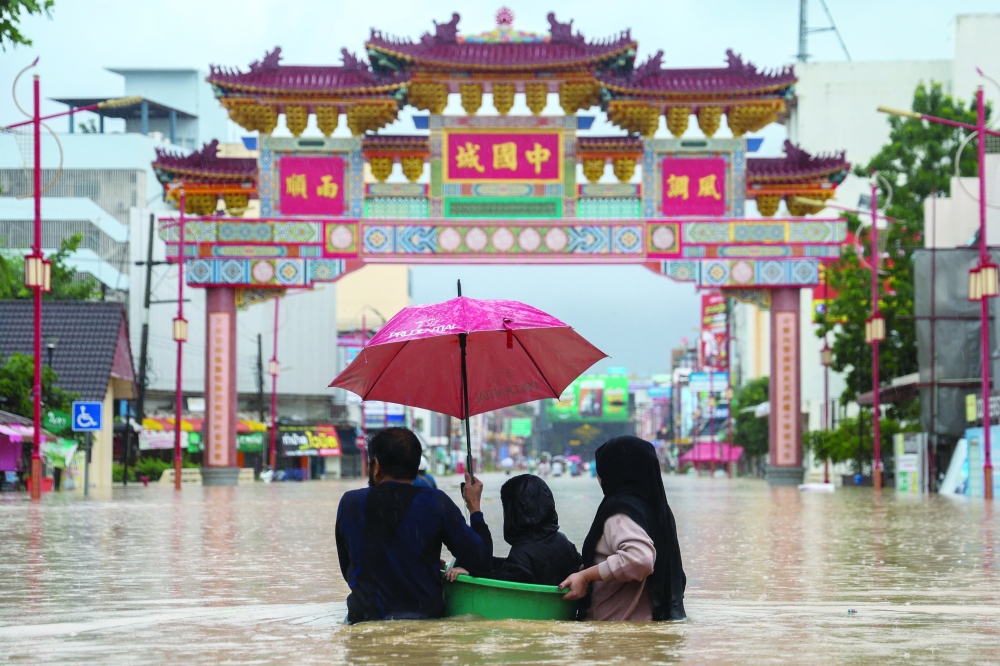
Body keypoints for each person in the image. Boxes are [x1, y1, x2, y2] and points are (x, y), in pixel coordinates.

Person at [335, 427, 494, 623]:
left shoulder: (350, 503)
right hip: (424, 623)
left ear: (376, 466)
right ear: (416, 464)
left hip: (363, 621)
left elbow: (350, 567)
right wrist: (474, 508)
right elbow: (482, 560)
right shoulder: (436, 502)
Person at [559, 436, 686, 621]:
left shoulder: (620, 513)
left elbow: (640, 558)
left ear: (615, 471)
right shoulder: (658, 512)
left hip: (612, 637)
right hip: (653, 633)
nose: (599, 477)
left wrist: (585, 577)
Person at [447, 474, 581, 586]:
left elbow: (506, 580)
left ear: (514, 512)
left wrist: (471, 574)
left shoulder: (523, 553)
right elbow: (510, 568)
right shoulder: (563, 542)